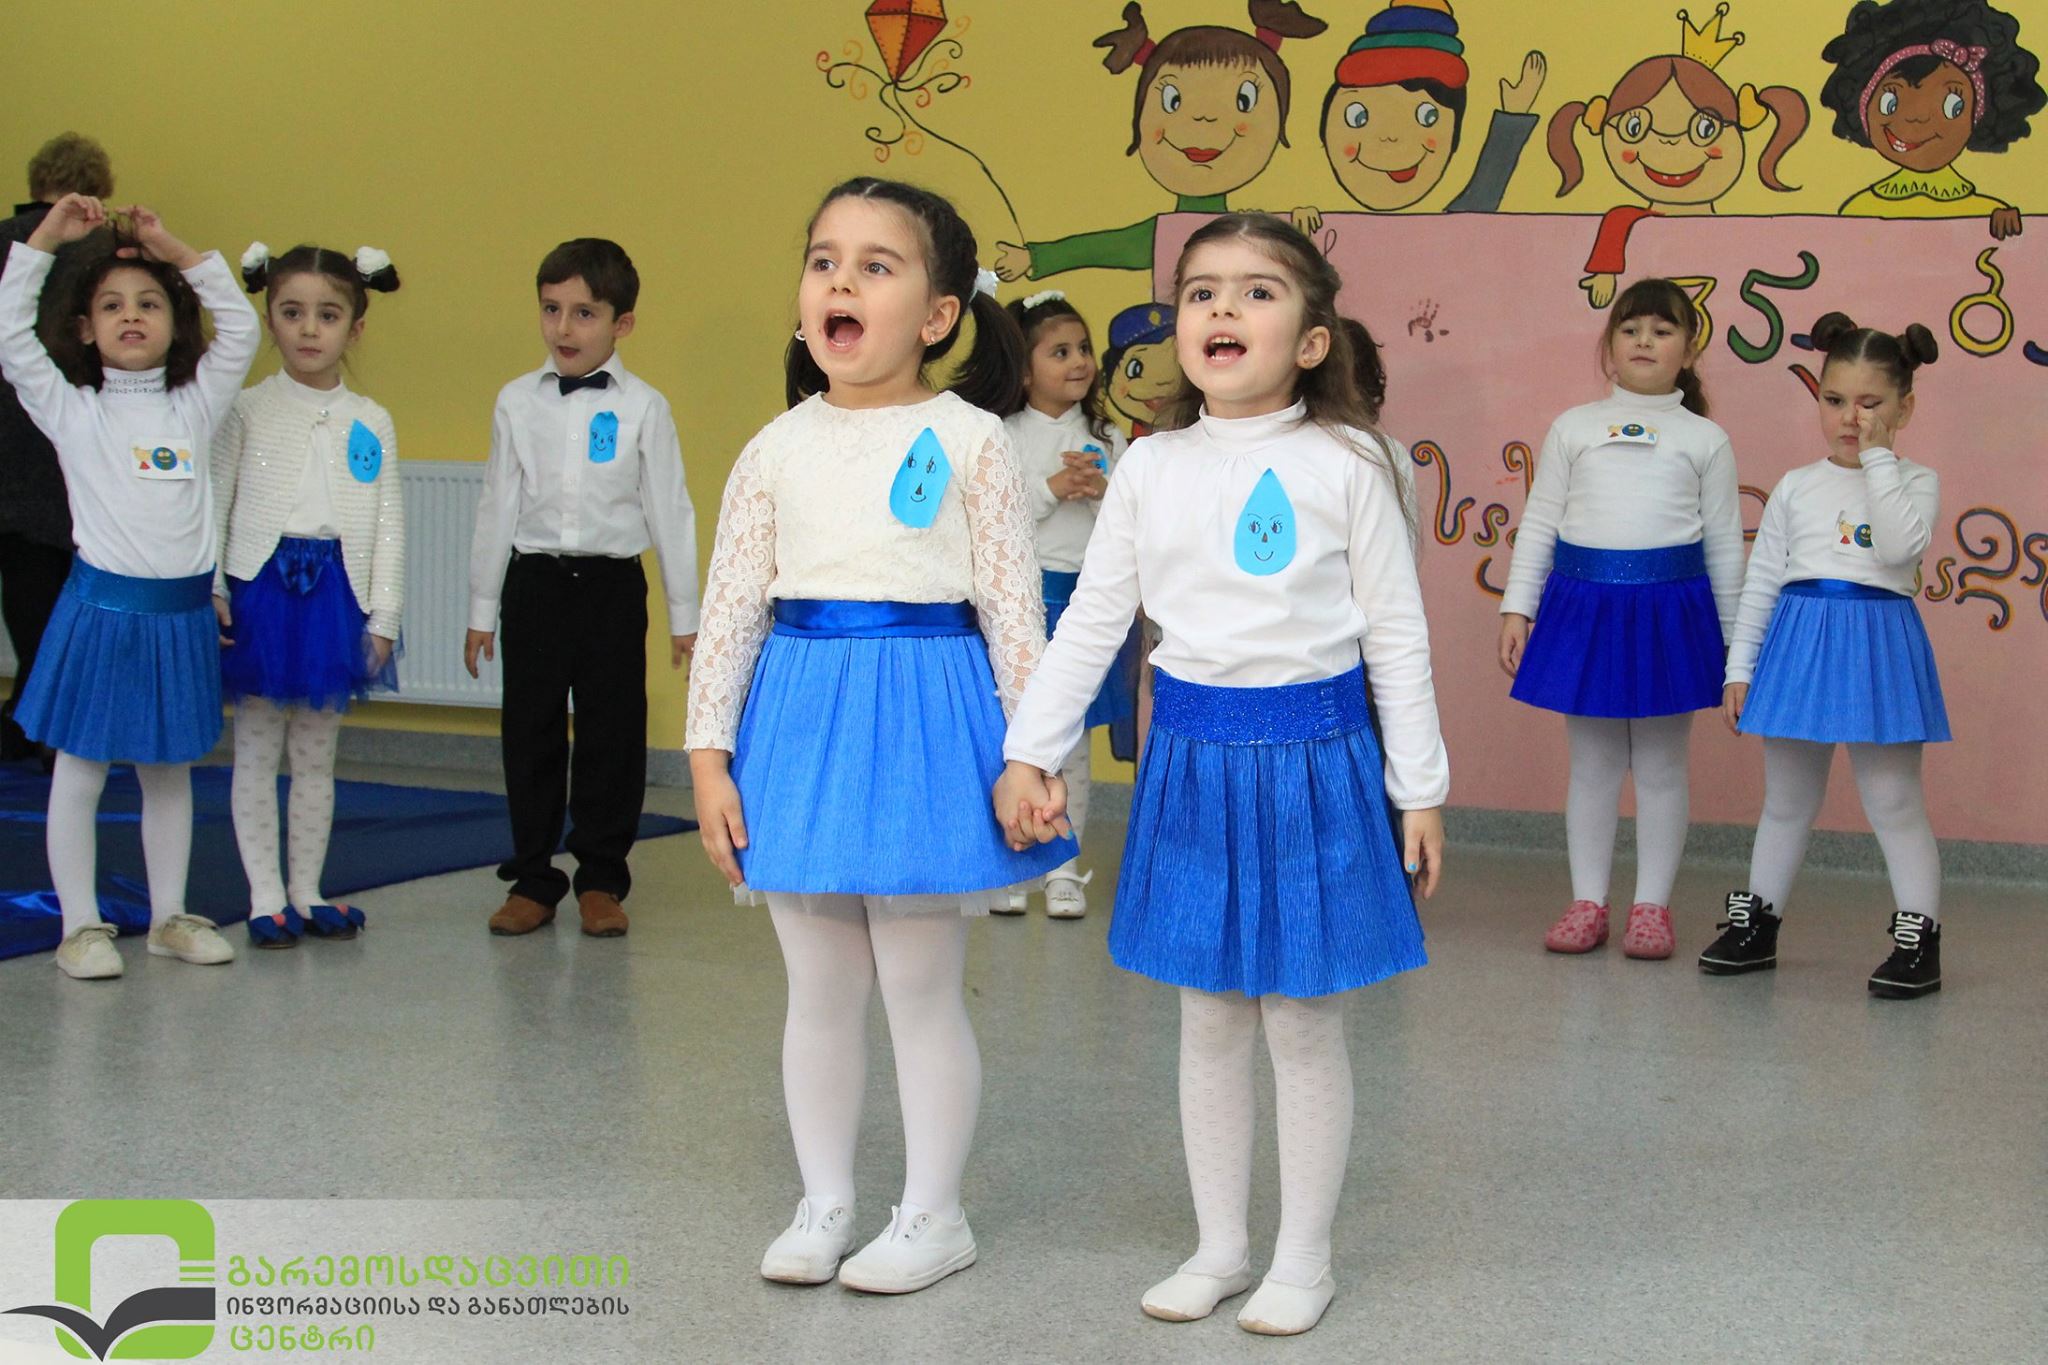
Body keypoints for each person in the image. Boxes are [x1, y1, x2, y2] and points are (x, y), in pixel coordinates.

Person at [998, 212, 1447, 1336]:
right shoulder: (1148, 466)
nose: (1222, 310)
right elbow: (1093, 621)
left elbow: (1397, 634)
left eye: (1256, 291)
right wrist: (1029, 749)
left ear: (1310, 339)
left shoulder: (1352, 463)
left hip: (1317, 761)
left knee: (1300, 1019)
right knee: (1207, 1016)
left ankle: (1304, 1257)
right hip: (1190, 760)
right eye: (1201, 292)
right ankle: (1220, 1247)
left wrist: (1420, 787)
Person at [687, 177, 1071, 1294]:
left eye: (875, 265)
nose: (839, 283)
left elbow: (1014, 612)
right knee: (817, 988)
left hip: (925, 721)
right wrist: (708, 759)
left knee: (918, 985)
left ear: (939, 315)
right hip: (799, 722)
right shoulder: (773, 448)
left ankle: (932, 1214)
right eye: (823, 261)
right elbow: (730, 611)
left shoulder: (971, 441)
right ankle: (824, 1202)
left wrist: (1030, 754)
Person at [0, 194, 260, 979]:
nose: (132, 316)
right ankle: (80, 925)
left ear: (176, 323)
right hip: (101, 614)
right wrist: (47, 239)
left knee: (168, 770)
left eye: (149, 303)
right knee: (79, 769)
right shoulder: (73, 409)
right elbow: (11, 336)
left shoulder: (196, 405)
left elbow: (241, 328)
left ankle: (168, 915)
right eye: (112, 306)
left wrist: (172, 248)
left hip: (178, 619)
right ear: (85, 328)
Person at [1701, 312, 1949, 999]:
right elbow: (1763, 581)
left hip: (1878, 645)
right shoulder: (1796, 485)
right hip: (1799, 646)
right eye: (1835, 399)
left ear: (1904, 408)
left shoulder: (1916, 480)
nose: (1850, 417)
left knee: (1893, 799)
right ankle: (1758, 926)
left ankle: (1919, 938)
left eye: (1871, 403)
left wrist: (1878, 460)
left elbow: (1897, 548)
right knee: (1786, 799)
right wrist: (1740, 668)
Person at [1497, 278, 1743, 960]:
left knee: (1662, 766)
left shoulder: (1706, 439)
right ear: (1609, 345)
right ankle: (1588, 902)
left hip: (1671, 614)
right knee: (1593, 765)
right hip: (1585, 610)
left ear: (1688, 350)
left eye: (1662, 331)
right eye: (1631, 329)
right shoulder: (1573, 427)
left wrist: (1736, 647)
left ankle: (1652, 908)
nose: (1644, 341)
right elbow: (1540, 521)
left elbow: (1725, 545)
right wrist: (1518, 607)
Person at [465, 238, 699, 939]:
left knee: (612, 733)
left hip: (611, 588)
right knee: (529, 731)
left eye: (584, 313)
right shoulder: (515, 401)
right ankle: (534, 877)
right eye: (551, 309)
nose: (563, 328)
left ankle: (601, 877)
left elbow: (671, 509)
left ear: (622, 323)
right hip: (535, 583)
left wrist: (685, 613)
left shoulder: (645, 408)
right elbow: (497, 505)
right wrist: (481, 607)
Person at [214, 243, 404, 946]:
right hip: (260, 593)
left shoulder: (371, 419)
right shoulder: (246, 409)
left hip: (334, 597)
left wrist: (384, 615)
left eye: (327, 315)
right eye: (291, 313)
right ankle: (265, 896)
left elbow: (388, 522)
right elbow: (216, 500)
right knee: (257, 749)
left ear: (356, 327)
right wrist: (213, 586)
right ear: (270, 319)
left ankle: (307, 889)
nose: (308, 329)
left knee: (318, 755)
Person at [997, 289, 1132, 918]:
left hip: (1083, 608)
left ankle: (1063, 866)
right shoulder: (1003, 436)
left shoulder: (1108, 437)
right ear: (1024, 371)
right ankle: (1010, 863)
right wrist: (1052, 487)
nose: (1079, 361)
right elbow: (994, 521)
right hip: (1020, 605)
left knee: (1070, 740)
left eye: (1083, 349)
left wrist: (1102, 491)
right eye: (1059, 352)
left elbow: (1132, 528)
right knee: (1013, 736)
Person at [0, 134, 113, 765]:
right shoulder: (110, 251)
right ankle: (51, 719)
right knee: (72, 593)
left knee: (24, 588)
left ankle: (32, 716)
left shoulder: (6, 241)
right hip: (82, 438)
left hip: (8, 441)